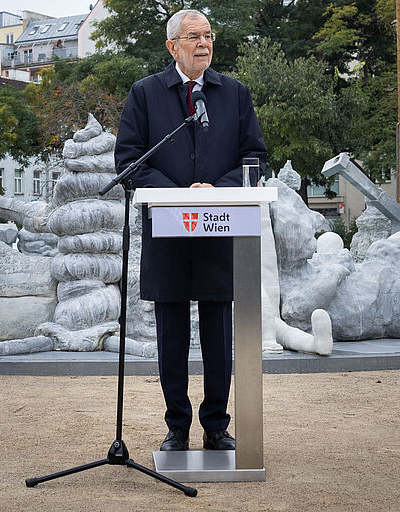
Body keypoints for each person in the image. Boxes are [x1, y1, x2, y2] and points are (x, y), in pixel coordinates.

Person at [114, 9, 267, 452]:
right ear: (172, 46)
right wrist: (181, 191)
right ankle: (177, 427)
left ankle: (217, 426)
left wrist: (214, 190)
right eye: (192, 36)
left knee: (219, 334)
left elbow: (254, 158)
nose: (203, 43)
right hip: (168, 229)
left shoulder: (234, 93)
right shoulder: (145, 94)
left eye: (208, 36)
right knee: (172, 334)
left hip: (221, 229)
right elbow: (128, 161)